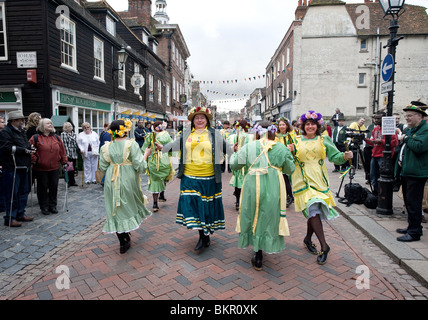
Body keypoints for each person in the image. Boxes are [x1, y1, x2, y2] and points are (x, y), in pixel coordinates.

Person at [156, 106, 230, 251]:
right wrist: (162, 147)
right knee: (194, 207)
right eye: (197, 118)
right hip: (189, 176)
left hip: (209, 177)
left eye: (202, 118)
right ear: (193, 121)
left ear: (207, 120)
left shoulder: (214, 134)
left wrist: (235, 148)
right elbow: (175, 145)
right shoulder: (186, 134)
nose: (200, 120)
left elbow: (226, 148)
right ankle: (202, 236)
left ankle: (205, 235)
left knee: (207, 207)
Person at [289, 110, 353, 265]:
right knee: (312, 209)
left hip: (319, 180)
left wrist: (345, 156)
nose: (310, 126)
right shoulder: (295, 140)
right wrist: (289, 153)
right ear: (303, 126)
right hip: (302, 180)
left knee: (314, 211)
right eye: (307, 124)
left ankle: (307, 238)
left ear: (317, 126)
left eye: (313, 124)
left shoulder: (324, 139)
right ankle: (325, 246)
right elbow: (288, 163)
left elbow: (335, 157)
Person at [231, 122, 295, 270]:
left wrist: (236, 152)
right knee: (269, 214)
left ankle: (257, 252)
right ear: (274, 133)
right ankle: (266, 244)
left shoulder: (249, 147)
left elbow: (234, 165)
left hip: (252, 184)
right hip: (274, 185)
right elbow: (290, 169)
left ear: (257, 133)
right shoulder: (281, 148)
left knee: (253, 213)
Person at [99, 119, 152, 254]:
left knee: (114, 208)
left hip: (111, 179)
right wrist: (145, 154)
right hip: (127, 179)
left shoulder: (106, 147)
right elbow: (140, 165)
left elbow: (103, 166)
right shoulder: (131, 145)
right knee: (127, 206)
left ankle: (122, 240)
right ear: (125, 130)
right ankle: (125, 238)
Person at [395, 105, 428, 242]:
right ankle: (411, 227)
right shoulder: (410, 129)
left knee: (414, 203)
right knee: (408, 202)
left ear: (419, 116)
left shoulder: (425, 130)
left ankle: (414, 232)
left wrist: (406, 139)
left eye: (410, 116)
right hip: (407, 171)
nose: (407, 118)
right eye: (406, 116)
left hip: (416, 173)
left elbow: (419, 147)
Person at [0, 111, 35, 227]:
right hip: (12, 167)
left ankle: (21, 213)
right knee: (11, 193)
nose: (23, 121)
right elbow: (6, 148)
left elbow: (26, 144)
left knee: (23, 191)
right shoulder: (5, 132)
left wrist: (30, 148)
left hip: (24, 165)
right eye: (20, 119)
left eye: (23, 119)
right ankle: (10, 217)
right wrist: (24, 150)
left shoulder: (22, 132)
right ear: (13, 121)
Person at [29, 118, 68, 215]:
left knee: (53, 187)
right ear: (42, 126)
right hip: (41, 168)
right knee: (42, 187)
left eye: (51, 123)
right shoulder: (35, 138)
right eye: (48, 123)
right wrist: (35, 160)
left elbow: (62, 151)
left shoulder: (56, 138)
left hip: (54, 167)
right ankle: (44, 206)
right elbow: (29, 151)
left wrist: (64, 162)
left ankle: (52, 205)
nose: (50, 125)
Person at [142, 121, 174, 212]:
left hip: (153, 161)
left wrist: (144, 158)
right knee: (164, 177)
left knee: (154, 180)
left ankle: (155, 203)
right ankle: (162, 195)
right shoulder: (166, 136)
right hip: (164, 160)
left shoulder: (149, 136)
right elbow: (172, 146)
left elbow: (144, 149)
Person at [364, 112, 399, 195]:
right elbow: (373, 143)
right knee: (373, 176)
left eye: (378, 118)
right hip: (374, 155)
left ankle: (384, 195)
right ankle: (376, 193)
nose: (375, 120)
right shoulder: (375, 129)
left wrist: (381, 141)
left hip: (383, 156)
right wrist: (365, 139)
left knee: (384, 177)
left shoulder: (389, 128)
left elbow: (395, 143)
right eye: (375, 118)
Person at [227, 120, 251, 210]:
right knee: (245, 180)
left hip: (236, 159)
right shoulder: (250, 137)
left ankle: (237, 201)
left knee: (237, 179)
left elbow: (229, 148)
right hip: (247, 160)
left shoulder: (232, 137)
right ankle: (244, 201)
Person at [275, 117, 294, 206]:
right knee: (280, 179)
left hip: (287, 159)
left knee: (286, 178)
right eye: (280, 125)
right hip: (278, 160)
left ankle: (289, 196)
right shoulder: (275, 136)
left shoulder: (290, 135)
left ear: (287, 126)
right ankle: (284, 196)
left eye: (283, 125)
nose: (282, 126)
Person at [60, 122, 79, 187]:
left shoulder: (74, 134)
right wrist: (65, 154)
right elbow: (63, 144)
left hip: (74, 153)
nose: (70, 127)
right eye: (68, 126)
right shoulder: (63, 134)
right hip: (67, 153)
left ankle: (72, 181)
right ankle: (67, 181)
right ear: (65, 128)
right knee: (68, 168)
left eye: (70, 126)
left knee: (72, 168)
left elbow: (76, 143)